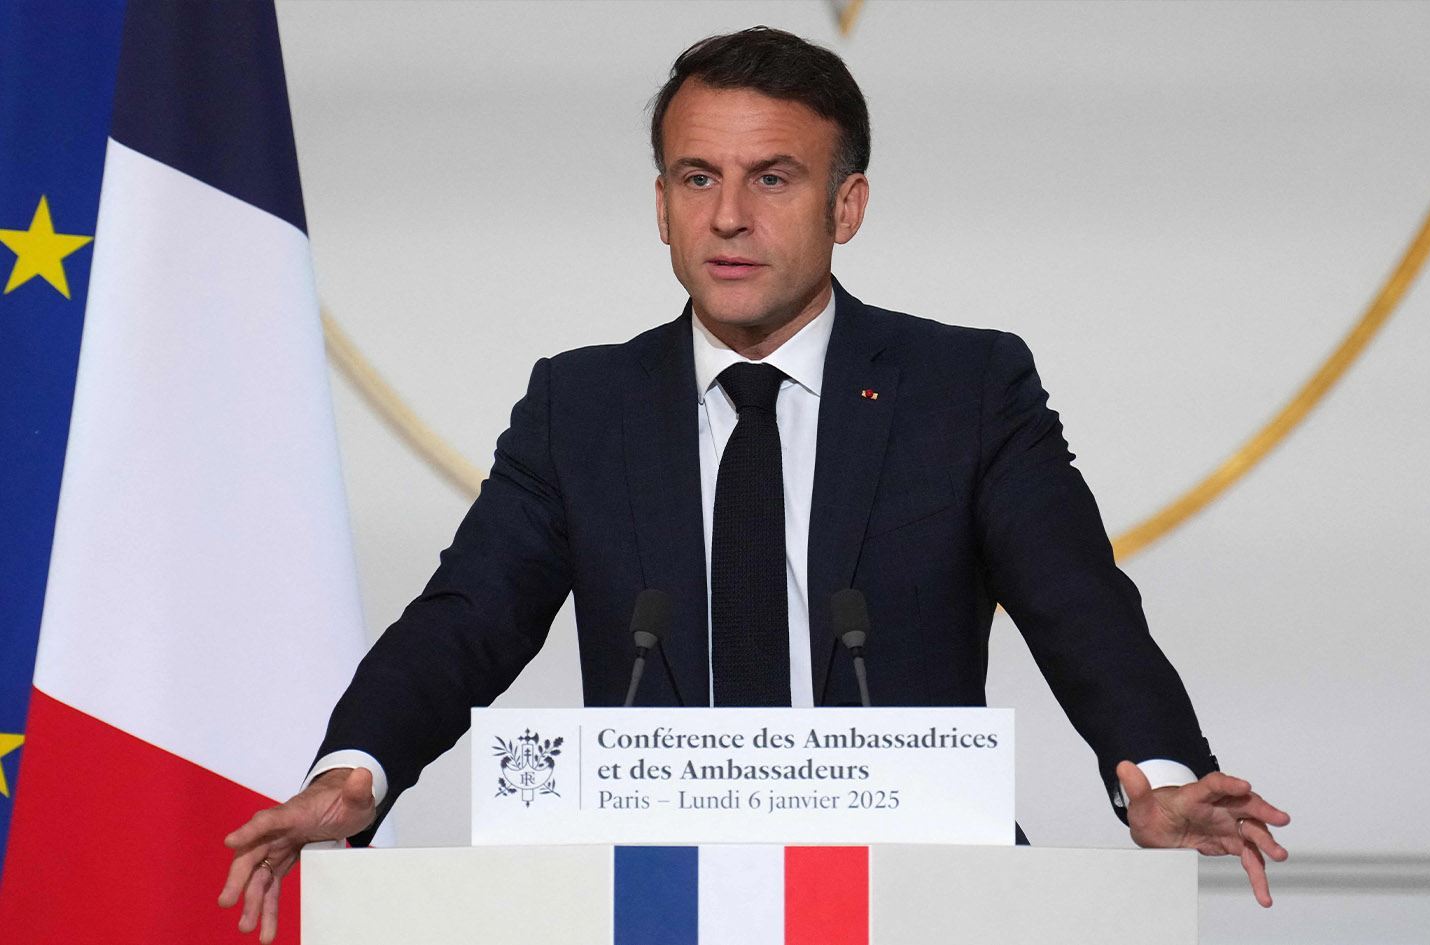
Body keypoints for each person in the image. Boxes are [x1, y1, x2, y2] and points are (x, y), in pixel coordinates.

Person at [219, 27, 1289, 942]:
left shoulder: (964, 389)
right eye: (698, 178)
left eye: (772, 178)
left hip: (919, 896)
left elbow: (1079, 604)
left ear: (846, 205)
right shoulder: (581, 405)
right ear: (661, 203)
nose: (728, 216)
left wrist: (1159, 774)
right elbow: (468, 618)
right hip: (646, 898)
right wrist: (356, 770)